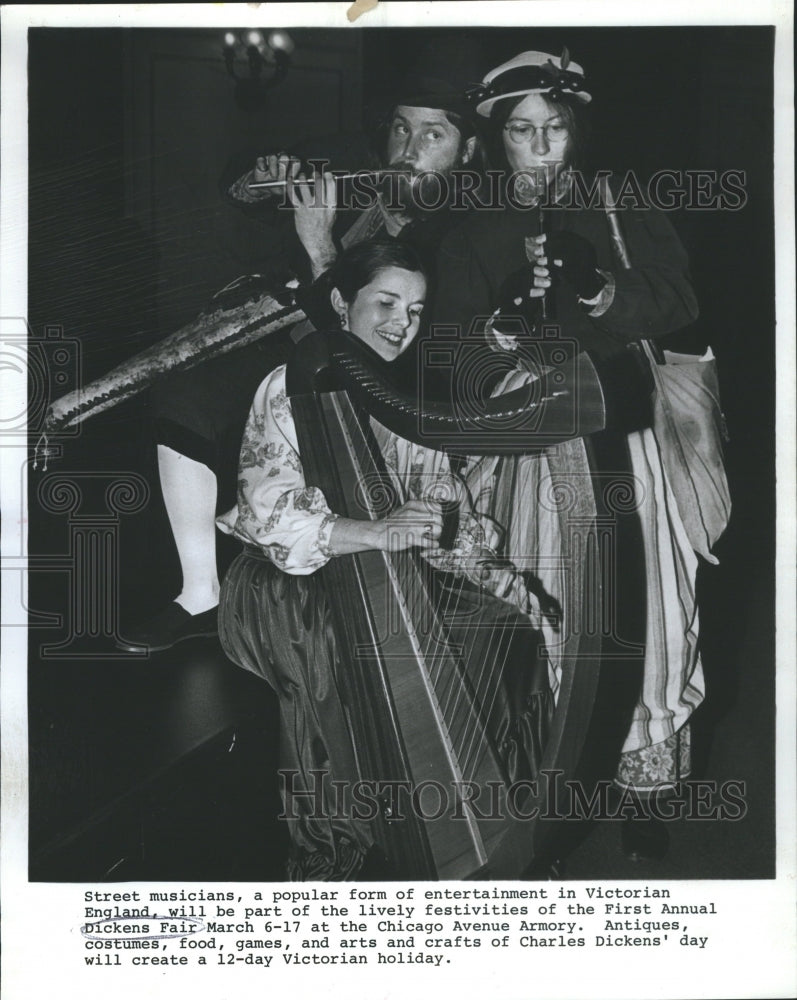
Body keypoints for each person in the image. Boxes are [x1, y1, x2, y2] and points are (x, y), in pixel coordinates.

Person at [432, 50, 705, 861]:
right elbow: (445, 346)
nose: (541, 148)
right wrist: (498, 330)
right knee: (541, 592)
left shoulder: (619, 202)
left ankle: (641, 784)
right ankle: (542, 775)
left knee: (643, 596)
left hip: (624, 431)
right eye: (522, 132)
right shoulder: (473, 228)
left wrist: (598, 294)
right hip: (529, 439)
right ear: (497, 140)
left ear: (575, 133)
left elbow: (682, 298)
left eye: (554, 130)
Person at [216, 238, 554, 880]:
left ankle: (485, 832)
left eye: (418, 310)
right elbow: (268, 515)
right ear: (342, 303)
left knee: (499, 627)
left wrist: (500, 576)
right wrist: (375, 532)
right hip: (288, 583)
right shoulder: (290, 385)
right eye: (387, 303)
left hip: (384, 566)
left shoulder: (400, 392)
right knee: (332, 648)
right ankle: (338, 855)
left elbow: (436, 505)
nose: (403, 323)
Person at [117, 76, 483, 653]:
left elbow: (382, 343)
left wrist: (319, 247)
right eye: (401, 128)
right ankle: (199, 592)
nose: (408, 150)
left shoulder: (463, 232)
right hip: (301, 345)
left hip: (380, 378)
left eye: (432, 135)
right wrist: (264, 176)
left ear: (466, 153)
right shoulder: (364, 176)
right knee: (185, 398)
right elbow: (237, 189)